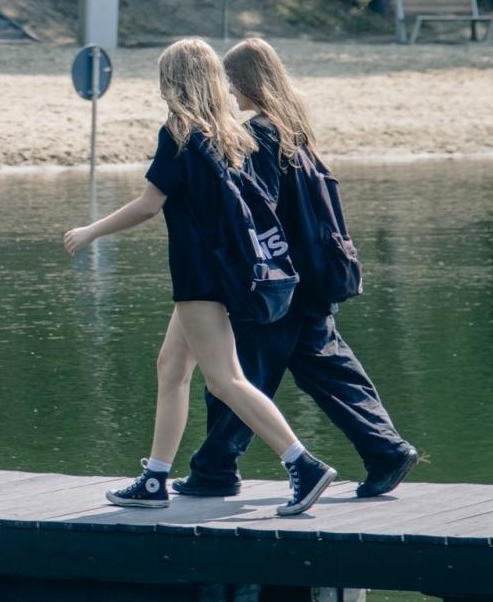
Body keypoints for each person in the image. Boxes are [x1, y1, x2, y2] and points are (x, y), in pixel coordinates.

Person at [63, 37, 336, 516]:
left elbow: (149, 204)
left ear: (173, 81)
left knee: (226, 379)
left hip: (200, 279)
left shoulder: (180, 132)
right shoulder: (231, 132)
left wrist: (91, 231)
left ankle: (303, 465)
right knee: (171, 368)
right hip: (223, 274)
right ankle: (154, 478)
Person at [173, 38, 417, 499]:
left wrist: (235, 273)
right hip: (315, 273)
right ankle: (386, 449)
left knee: (238, 374)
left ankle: (214, 470)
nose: (227, 93)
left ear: (245, 81)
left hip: (281, 281)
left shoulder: (260, 138)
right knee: (330, 371)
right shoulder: (293, 130)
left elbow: (255, 216)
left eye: (231, 82)